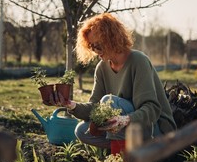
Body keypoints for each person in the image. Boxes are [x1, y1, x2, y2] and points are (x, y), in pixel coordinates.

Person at [46, 13, 176, 151]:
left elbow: (152, 109)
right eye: (91, 46)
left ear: (112, 39)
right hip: (127, 130)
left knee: (110, 101)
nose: (96, 51)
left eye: (98, 45)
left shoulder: (139, 61)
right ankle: (126, 151)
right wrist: (71, 105)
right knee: (82, 130)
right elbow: (95, 108)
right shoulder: (102, 68)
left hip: (155, 130)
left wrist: (125, 119)